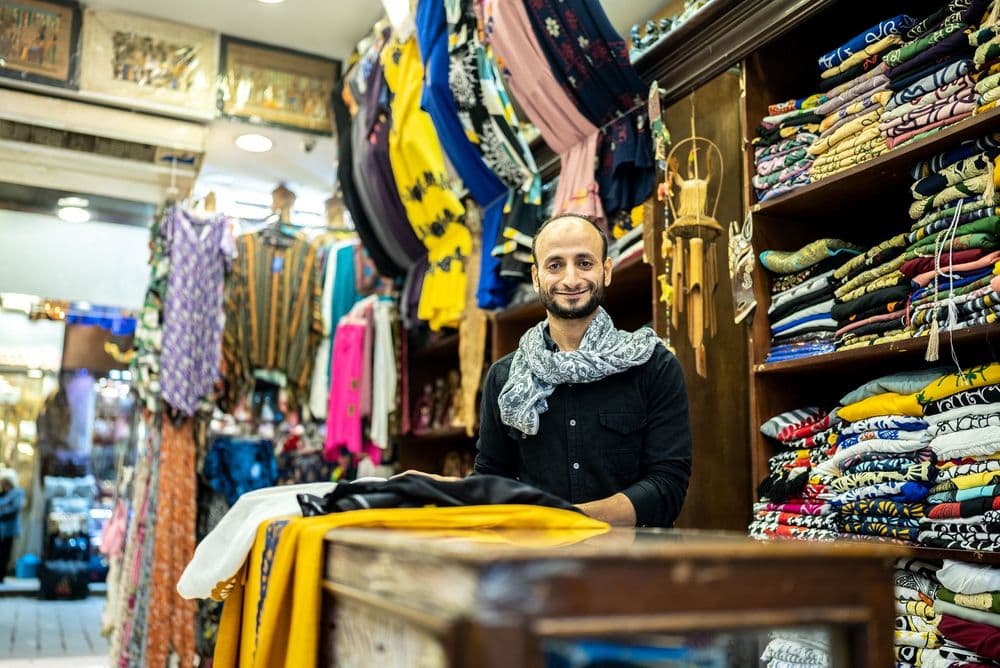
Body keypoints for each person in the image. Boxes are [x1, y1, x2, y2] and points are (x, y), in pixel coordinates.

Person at [474, 213, 692, 527]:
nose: (571, 280)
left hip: (633, 566)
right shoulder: (505, 378)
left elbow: (667, 485)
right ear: (536, 277)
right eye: (555, 265)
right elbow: (490, 481)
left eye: (585, 263)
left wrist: (569, 522)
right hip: (537, 566)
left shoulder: (653, 365)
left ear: (606, 271)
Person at [0, 468, 25, 582]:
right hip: (1, 526)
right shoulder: (3, 494)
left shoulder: (17, 493)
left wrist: (2, 511)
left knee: (5, 551)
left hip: (9, 527)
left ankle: (2, 574)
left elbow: (15, 508)